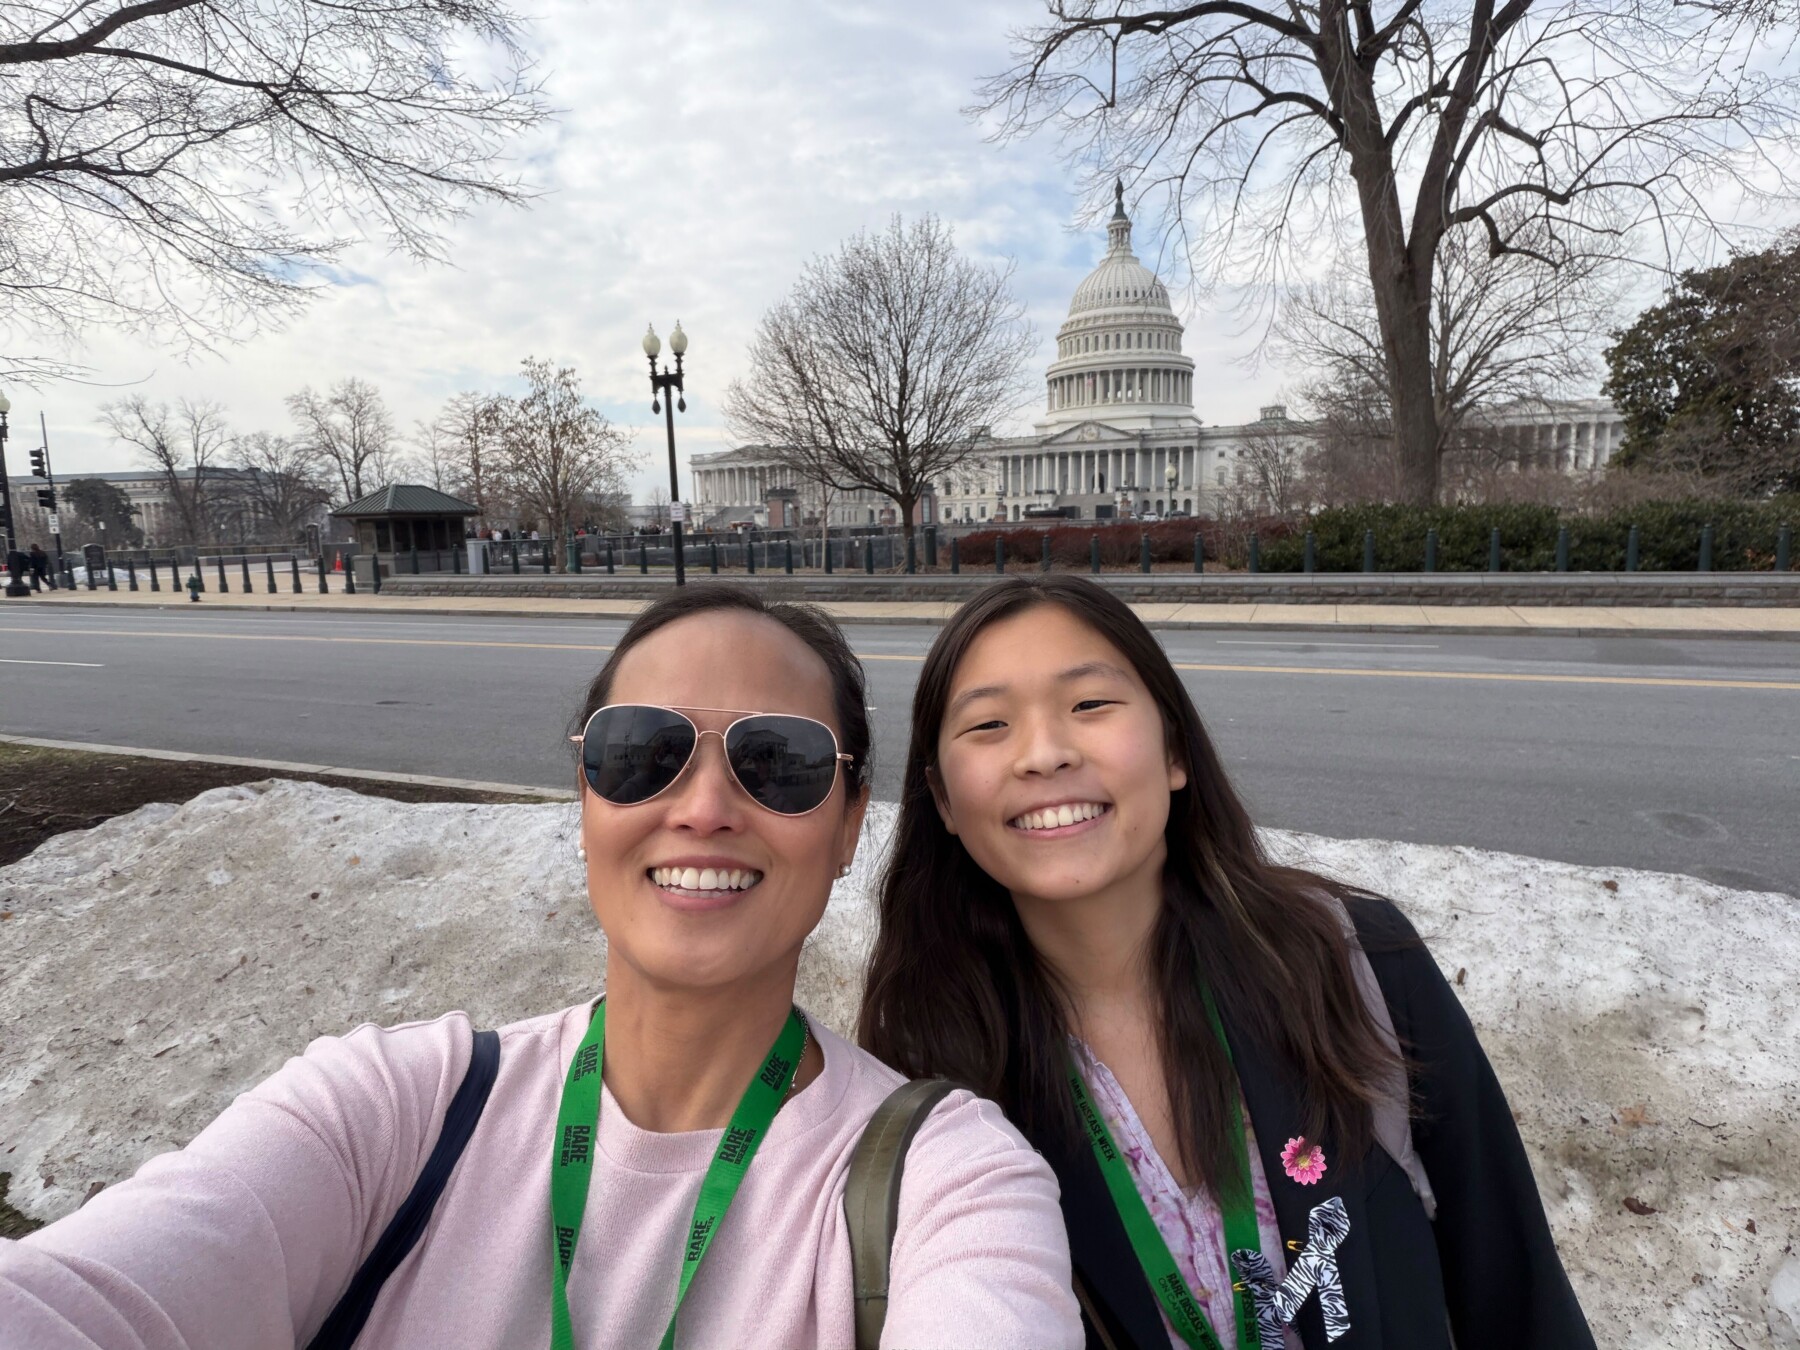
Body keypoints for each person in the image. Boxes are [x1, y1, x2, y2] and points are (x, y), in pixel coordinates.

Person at [0, 584, 1081, 1349]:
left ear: (849, 826)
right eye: (641, 753)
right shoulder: (392, 1113)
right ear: (586, 799)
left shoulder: (946, 1184)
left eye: (778, 763)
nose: (703, 808)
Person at [858, 575, 1594, 1350]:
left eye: (1089, 705)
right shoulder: (927, 1073)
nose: (1043, 754)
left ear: (1175, 749)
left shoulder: (1353, 966)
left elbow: (1517, 1295)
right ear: (942, 799)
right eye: (990, 724)